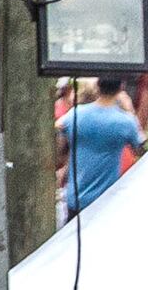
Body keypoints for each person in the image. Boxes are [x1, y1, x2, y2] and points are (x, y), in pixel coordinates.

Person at [55, 79, 142, 218]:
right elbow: (140, 149)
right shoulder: (125, 121)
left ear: (98, 86)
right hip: (106, 202)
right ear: (121, 87)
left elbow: (59, 127)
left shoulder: (76, 114)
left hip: (76, 198)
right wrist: (130, 110)